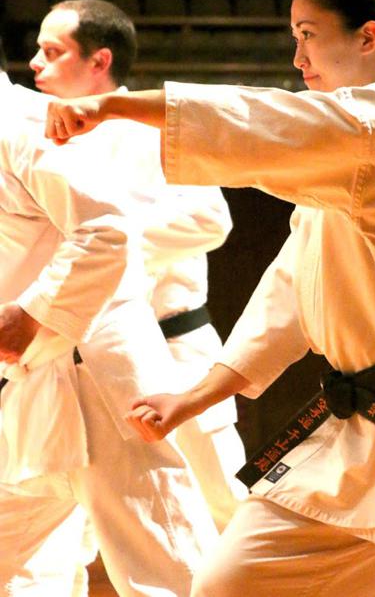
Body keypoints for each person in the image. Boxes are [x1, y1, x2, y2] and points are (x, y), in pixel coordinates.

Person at [46, 0, 375, 596]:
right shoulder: (338, 173)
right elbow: (291, 293)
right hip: (358, 443)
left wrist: (119, 105)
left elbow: (265, 122)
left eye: (309, 34)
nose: (298, 56)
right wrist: (195, 396)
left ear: (368, 37)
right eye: (295, 38)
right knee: (231, 588)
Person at [0, 35, 218, 597]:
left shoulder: (25, 124)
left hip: (102, 372)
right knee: (23, 570)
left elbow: (107, 229)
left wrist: (31, 314)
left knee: (166, 571)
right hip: (31, 383)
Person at [30, 0, 247, 536]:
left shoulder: (152, 131)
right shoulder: (33, 137)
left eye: (52, 51)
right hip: (83, 361)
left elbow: (209, 220)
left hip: (172, 347)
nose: (35, 62)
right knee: (74, 525)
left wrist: (96, 246)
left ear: (99, 61)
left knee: (223, 505)